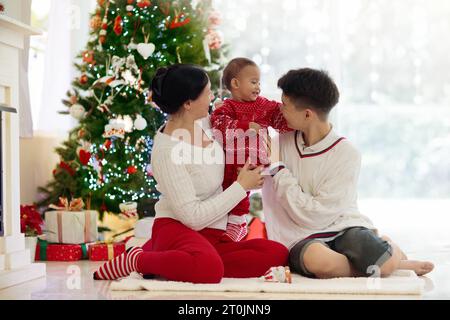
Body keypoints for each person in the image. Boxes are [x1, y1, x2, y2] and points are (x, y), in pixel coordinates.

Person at [93, 64, 289, 283]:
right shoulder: (168, 151)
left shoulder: (206, 123)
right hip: (177, 229)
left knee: (276, 253)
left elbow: (239, 138)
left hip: (212, 233)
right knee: (209, 270)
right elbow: (192, 218)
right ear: (188, 103)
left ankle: (181, 260)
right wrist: (240, 186)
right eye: (207, 93)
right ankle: (138, 260)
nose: (213, 97)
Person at [262, 68, 434, 279]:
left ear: (307, 114)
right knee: (320, 261)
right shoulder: (279, 143)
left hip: (343, 226)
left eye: (285, 105)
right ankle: (389, 265)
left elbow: (315, 214)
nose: (280, 110)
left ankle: (389, 259)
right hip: (300, 235)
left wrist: (278, 169)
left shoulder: (347, 154)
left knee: (384, 262)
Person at [210, 57, 291, 242]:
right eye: (253, 82)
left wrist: (294, 118)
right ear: (235, 83)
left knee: (246, 191)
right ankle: (233, 223)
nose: (258, 87)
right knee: (232, 190)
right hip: (231, 163)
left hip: (257, 161)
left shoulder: (263, 105)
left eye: (259, 82)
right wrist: (246, 125)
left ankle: (237, 222)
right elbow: (219, 124)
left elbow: (281, 116)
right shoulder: (227, 107)